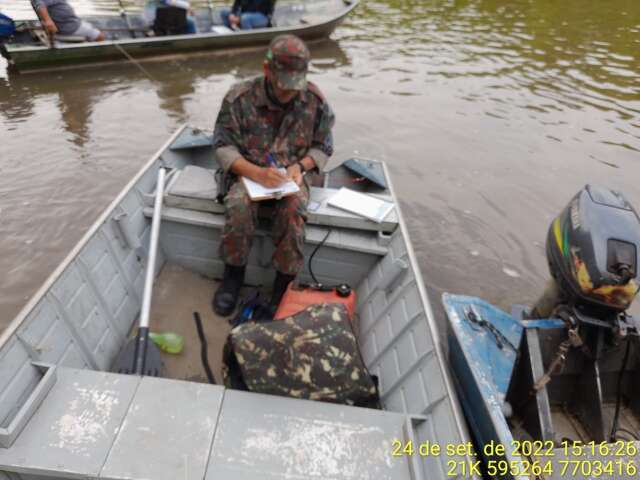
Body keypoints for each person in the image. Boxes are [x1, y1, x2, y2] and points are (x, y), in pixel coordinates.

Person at [212, 34, 335, 316]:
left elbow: (324, 146)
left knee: (293, 209)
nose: (291, 93)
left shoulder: (314, 100)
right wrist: (255, 173)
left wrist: (300, 167)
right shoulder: (239, 98)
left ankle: (283, 286)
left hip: (292, 178)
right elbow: (222, 145)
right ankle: (233, 276)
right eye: (284, 86)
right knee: (239, 205)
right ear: (267, 70)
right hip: (247, 172)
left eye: (295, 86)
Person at [33, 0, 105, 41]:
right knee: (100, 36)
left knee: (90, 25)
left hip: (71, 23)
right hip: (70, 27)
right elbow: (39, 4)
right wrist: (48, 21)